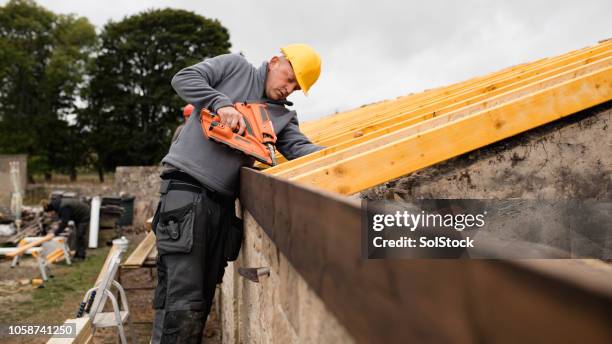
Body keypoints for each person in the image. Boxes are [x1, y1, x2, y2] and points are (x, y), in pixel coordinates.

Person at [151, 43, 324, 343]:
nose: (289, 89)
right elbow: (183, 78)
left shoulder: (281, 117)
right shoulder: (234, 68)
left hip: (220, 206)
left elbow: (303, 151)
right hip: (187, 193)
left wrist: (351, 155)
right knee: (183, 299)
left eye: (296, 87)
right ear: (274, 62)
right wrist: (221, 103)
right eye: (289, 78)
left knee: (200, 299)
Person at [41, 196, 90, 260]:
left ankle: (81, 256)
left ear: (52, 210)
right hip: (77, 215)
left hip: (84, 214)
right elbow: (62, 218)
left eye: (50, 213)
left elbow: (64, 223)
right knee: (77, 235)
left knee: (80, 235)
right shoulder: (56, 205)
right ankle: (77, 254)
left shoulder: (64, 207)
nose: (50, 215)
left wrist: (55, 233)